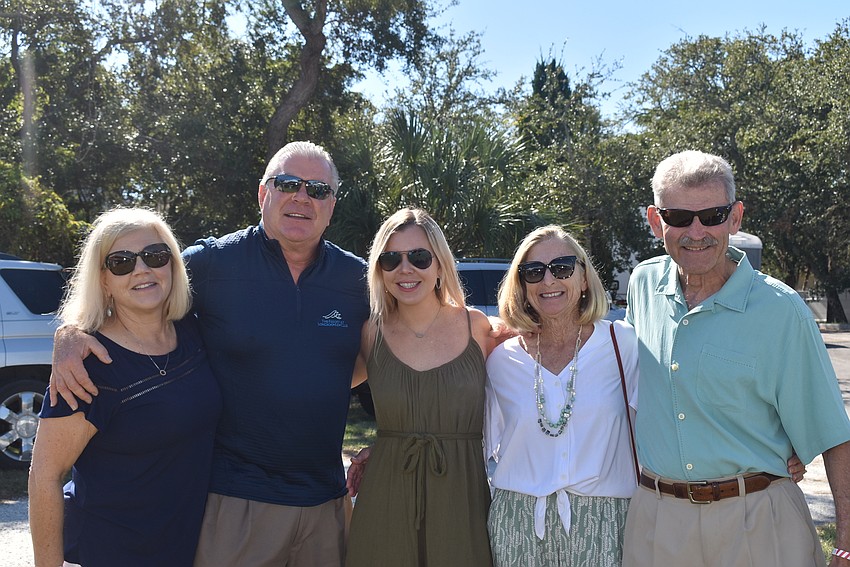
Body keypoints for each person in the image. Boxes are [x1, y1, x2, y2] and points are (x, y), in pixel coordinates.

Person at [50, 141, 371, 566]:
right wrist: (71, 332)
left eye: (318, 190)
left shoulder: (359, 279)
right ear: (263, 194)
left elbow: (408, 343)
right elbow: (137, 287)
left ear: (332, 204)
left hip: (328, 502)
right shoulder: (212, 263)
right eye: (289, 184)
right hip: (234, 502)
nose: (302, 198)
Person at [623, 150, 850, 567]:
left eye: (712, 215)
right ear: (656, 221)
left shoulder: (782, 310)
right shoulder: (642, 286)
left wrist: (846, 546)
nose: (696, 231)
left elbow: (835, 436)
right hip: (657, 523)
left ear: (735, 217)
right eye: (678, 217)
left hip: (759, 521)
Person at [29, 208, 222, 566]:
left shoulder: (194, 333)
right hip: (111, 553)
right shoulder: (89, 366)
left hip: (186, 550)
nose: (142, 270)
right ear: (103, 280)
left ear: (172, 265)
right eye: (121, 262)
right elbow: (45, 475)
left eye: (155, 256)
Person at [345, 208, 495, 566]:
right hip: (386, 494)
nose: (405, 269)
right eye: (391, 259)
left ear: (440, 264)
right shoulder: (370, 333)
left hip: (462, 498)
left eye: (419, 257)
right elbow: (319, 392)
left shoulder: (479, 328)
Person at [484, 225, 640, 566]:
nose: (549, 281)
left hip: (604, 524)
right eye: (534, 272)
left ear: (584, 278)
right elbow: (474, 446)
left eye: (562, 268)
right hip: (518, 525)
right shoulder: (501, 361)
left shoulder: (621, 345)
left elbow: (663, 425)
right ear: (522, 286)